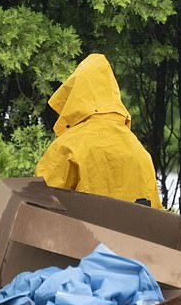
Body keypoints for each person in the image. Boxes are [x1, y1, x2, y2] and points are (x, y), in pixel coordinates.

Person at [35, 53, 162, 209]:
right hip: (133, 233)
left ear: (74, 97)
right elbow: (155, 216)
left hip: (82, 233)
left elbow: (39, 207)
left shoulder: (67, 147)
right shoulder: (140, 152)